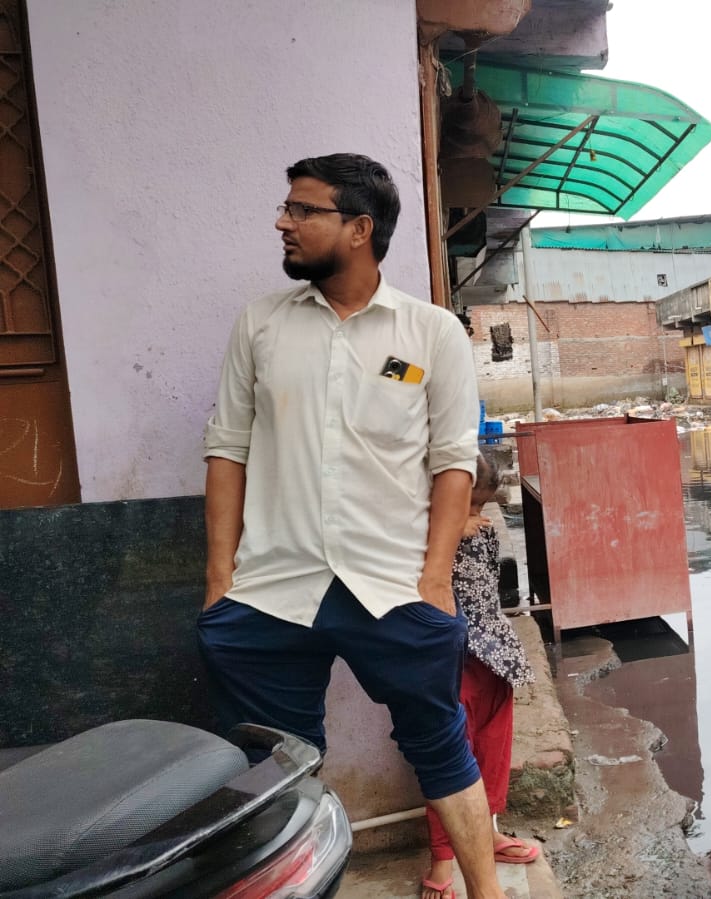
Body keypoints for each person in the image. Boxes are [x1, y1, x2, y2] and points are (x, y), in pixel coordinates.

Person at [197, 153, 505, 899]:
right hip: (271, 588)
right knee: (277, 765)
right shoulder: (262, 324)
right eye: (287, 207)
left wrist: (434, 580)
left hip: (393, 584)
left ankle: (486, 894)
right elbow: (226, 448)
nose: (283, 221)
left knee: (442, 747)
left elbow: (453, 463)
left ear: (359, 229)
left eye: (303, 210)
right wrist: (219, 581)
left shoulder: (429, 334)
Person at [423, 452, 540, 899]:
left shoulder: (481, 531)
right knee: (452, 756)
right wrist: (451, 527)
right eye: (468, 506)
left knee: (493, 748)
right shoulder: (422, 535)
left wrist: (463, 523)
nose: (477, 518)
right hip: (449, 656)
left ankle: (488, 834)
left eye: (482, 507)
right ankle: (442, 857)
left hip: (494, 653)